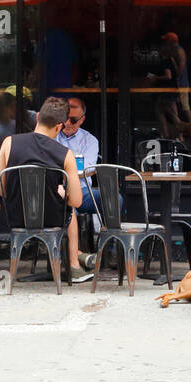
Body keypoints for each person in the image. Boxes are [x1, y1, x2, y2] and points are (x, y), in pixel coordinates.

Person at [0, 97, 92, 283]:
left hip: (16, 217)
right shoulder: (65, 154)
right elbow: (77, 201)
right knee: (69, 208)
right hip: (51, 219)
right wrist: (62, 193)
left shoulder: (8, 142)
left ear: (37, 117)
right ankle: (73, 264)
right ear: (59, 127)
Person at [55, 95, 119, 271]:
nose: (67, 123)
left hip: (83, 192)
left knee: (113, 197)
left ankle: (108, 250)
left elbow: (90, 169)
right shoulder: (51, 134)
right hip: (58, 190)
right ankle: (70, 256)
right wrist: (73, 171)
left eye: (73, 120)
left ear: (82, 120)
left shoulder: (89, 140)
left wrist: (65, 171)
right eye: (64, 118)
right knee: (67, 205)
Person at [148, 32, 191, 139]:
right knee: (172, 110)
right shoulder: (172, 55)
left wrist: (175, 79)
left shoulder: (178, 52)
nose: (165, 44)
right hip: (175, 86)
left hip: (179, 85)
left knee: (183, 108)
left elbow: (178, 70)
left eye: (166, 41)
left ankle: (188, 130)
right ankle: (176, 134)